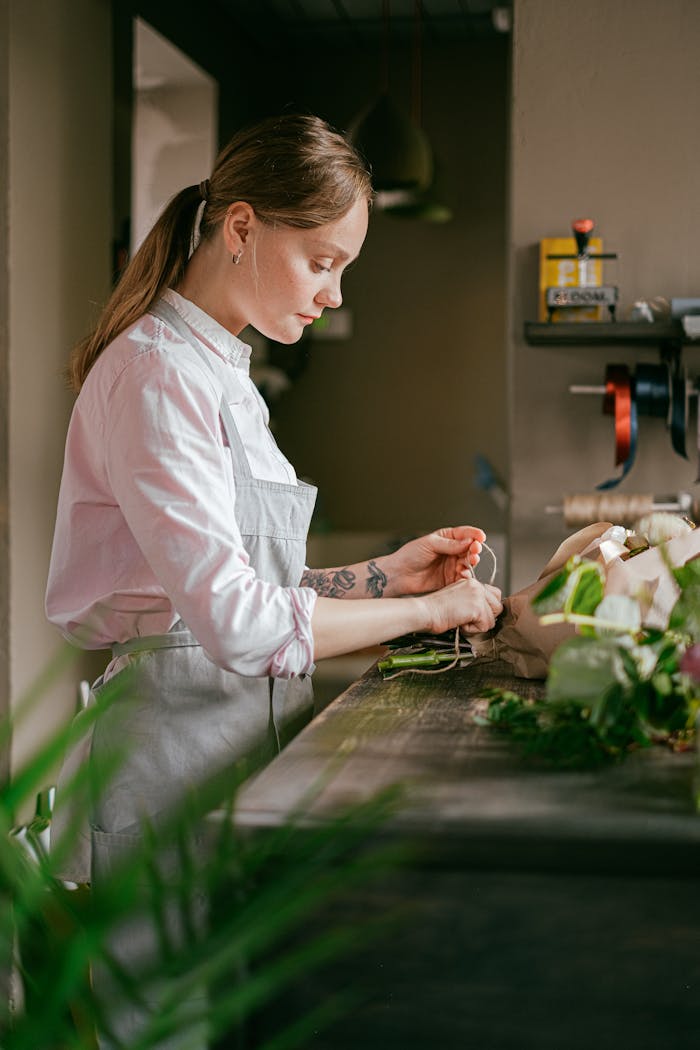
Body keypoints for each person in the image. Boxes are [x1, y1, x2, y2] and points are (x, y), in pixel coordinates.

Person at [45, 112, 502, 1047]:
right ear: (244, 227)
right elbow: (238, 624)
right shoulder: (153, 376)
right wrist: (430, 608)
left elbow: (257, 586)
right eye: (323, 261)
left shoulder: (228, 378)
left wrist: (387, 574)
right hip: (173, 758)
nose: (333, 294)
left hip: (241, 746)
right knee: (174, 1029)